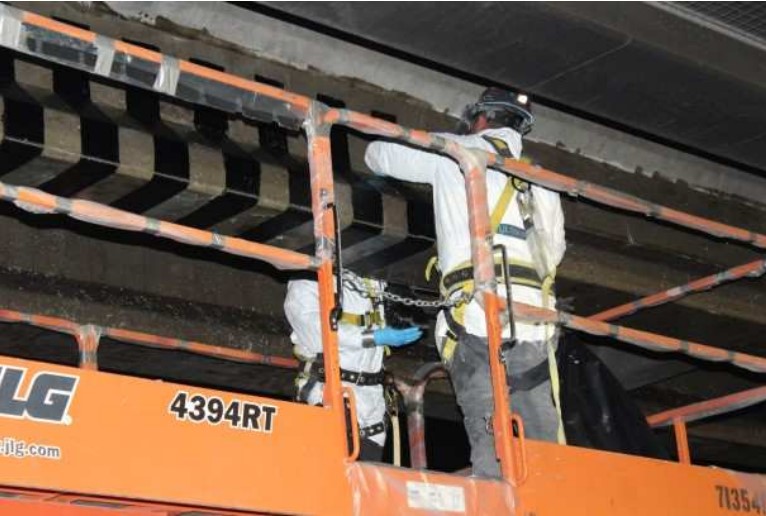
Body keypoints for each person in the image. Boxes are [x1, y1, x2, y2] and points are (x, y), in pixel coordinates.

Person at [364, 88, 566, 477]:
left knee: (488, 427)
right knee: (540, 434)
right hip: (535, 320)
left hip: (475, 316)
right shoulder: (542, 177)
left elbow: (377, 155)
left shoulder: (456, 151)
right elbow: (553, 251)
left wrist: (442, 143)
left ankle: (493, 490)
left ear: (481, 119)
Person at [284, 269, 422, 461]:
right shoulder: (308, 278)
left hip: (372, 402)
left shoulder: (371, 279)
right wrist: (373, 337)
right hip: (331, 391)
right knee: (333, 479)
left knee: (364, 484)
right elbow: (316, 333)